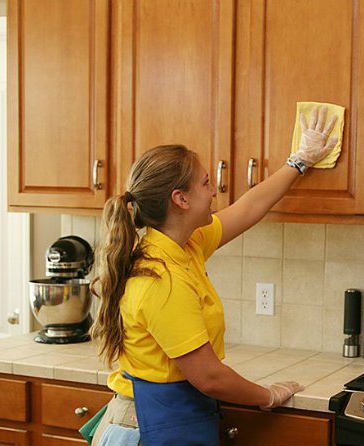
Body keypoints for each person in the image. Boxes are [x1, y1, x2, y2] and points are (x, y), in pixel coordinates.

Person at [88, 107, 339, 446]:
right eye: (206, 183)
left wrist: (299, 160)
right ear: (181, 199)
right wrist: (268, 395)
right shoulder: (161, 281)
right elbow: (210, 377)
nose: (214, 191)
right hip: (146, 428)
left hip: (167, 419)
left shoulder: (184, 245)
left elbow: (249, 207)